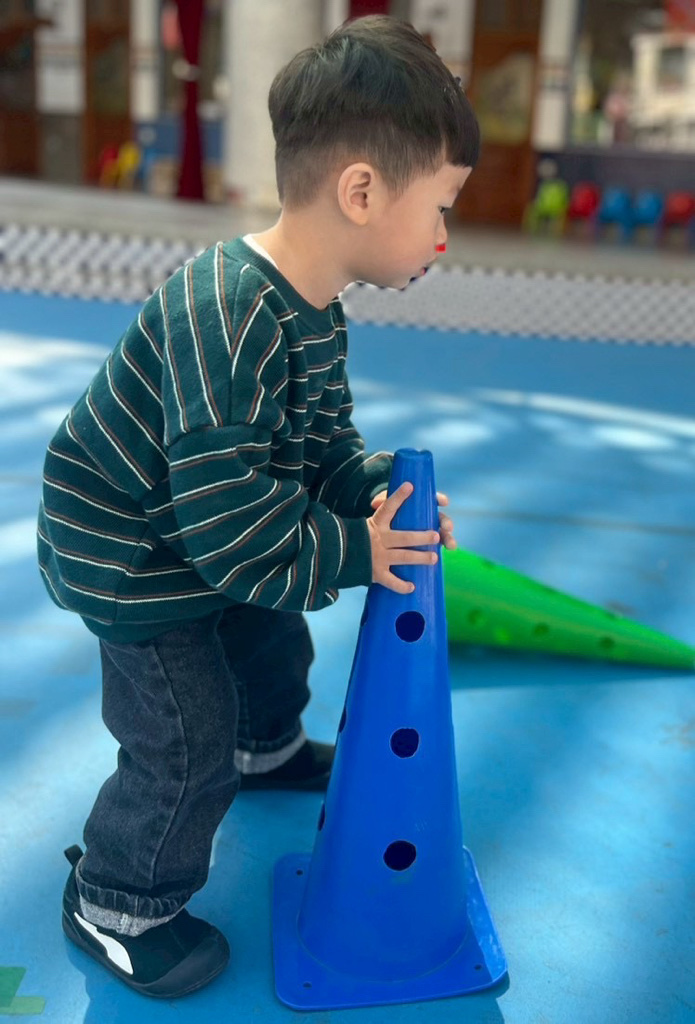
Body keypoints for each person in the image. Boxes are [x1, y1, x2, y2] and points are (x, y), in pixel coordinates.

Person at [37, 14, 479, 999]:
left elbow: (318, 453)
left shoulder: (315, 310)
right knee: (184, 741)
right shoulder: (228, 314)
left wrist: (376, 496)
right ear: (360, 191)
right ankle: (116, 899)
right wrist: (355, 551)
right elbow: (234, 533)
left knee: (270, 631)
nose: (444, 237)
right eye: (440, 206)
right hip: (132, 552)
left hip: (206, 525)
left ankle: (266, 745)